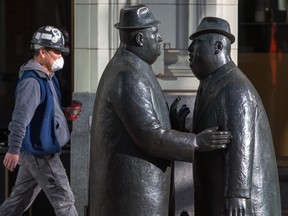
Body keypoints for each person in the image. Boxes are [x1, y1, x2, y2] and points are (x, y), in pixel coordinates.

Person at [89, 5, 231, 216]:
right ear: (139, 39)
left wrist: (172, 124)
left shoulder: (134, 66)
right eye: (154, 34)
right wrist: (196, 142)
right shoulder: (127, 75)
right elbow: (148, 135)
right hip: (133, 197)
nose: (160, 38)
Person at [188, 17, 281, 215]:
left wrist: (236, 194)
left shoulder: (234, 87)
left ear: (218, 46)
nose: (190, 49)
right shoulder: (210, 83)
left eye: (197, 43)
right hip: (216, 193)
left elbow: (241, 142)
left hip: (237, 204)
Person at [0, 26, 79, 216]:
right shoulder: (32, 82)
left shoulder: (48, 77)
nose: (60, 56)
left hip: (37, 150)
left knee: (18, 202)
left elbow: (43, 110)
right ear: (42, 52)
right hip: (42, 152)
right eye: (57, 51)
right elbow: (20, 118)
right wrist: (13, 149)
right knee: (64, 199)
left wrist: (64, 114)